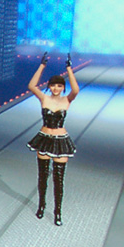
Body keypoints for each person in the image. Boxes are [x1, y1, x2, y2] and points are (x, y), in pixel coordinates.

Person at [26, 52, 79, 226]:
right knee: (42, 177)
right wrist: (42, 66)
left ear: (63, 87)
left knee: (59, 179)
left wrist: (69, 68)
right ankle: (42, 205)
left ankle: (58, 212)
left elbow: (76, 90)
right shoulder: (44, 98)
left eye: (59, 86)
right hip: (44, 139)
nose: (56, 88)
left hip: (61, 140)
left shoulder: (67, 100)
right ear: (49, 86)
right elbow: (32, 86)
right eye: (53, 85)